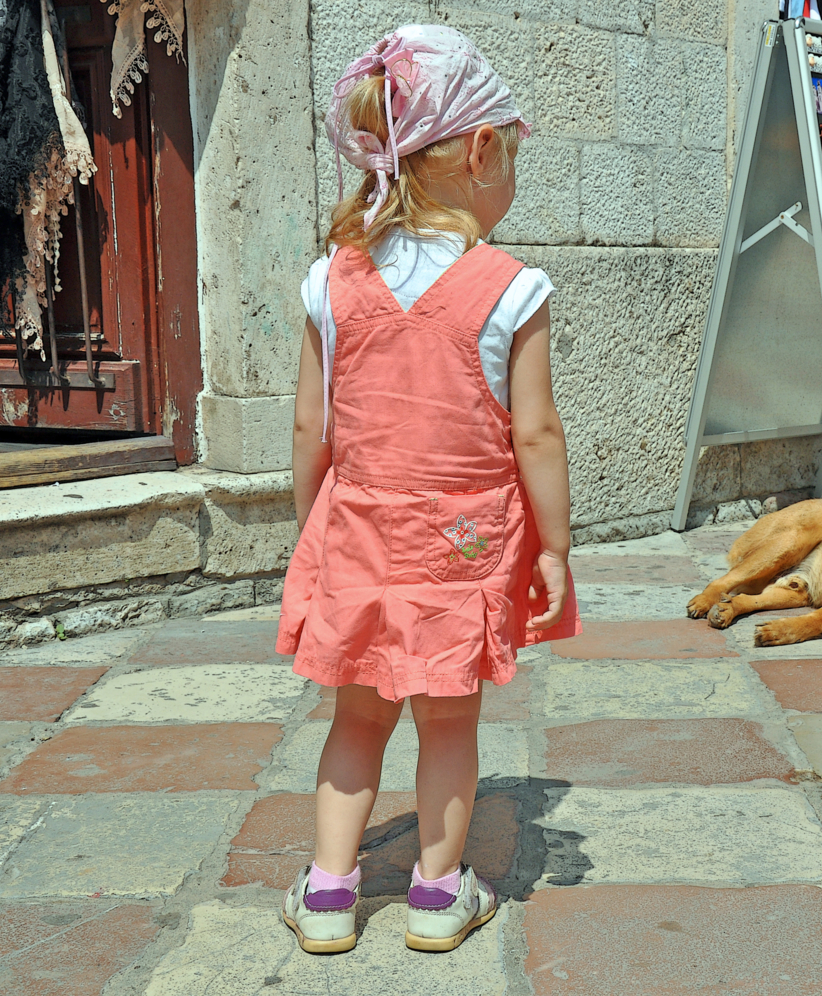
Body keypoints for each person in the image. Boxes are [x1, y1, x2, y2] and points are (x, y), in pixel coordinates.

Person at [275, 24, 580, 955]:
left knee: (356, 717)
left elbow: (308, 430)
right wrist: (558, 546)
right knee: (450, 723)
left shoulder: (332, 279)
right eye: (513, 154)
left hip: (360, 532)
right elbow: (536, 432)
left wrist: (311, 528)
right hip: (465, 545)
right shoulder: (511, 286)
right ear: (481, 150)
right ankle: (437, 898)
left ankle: (328, 899)